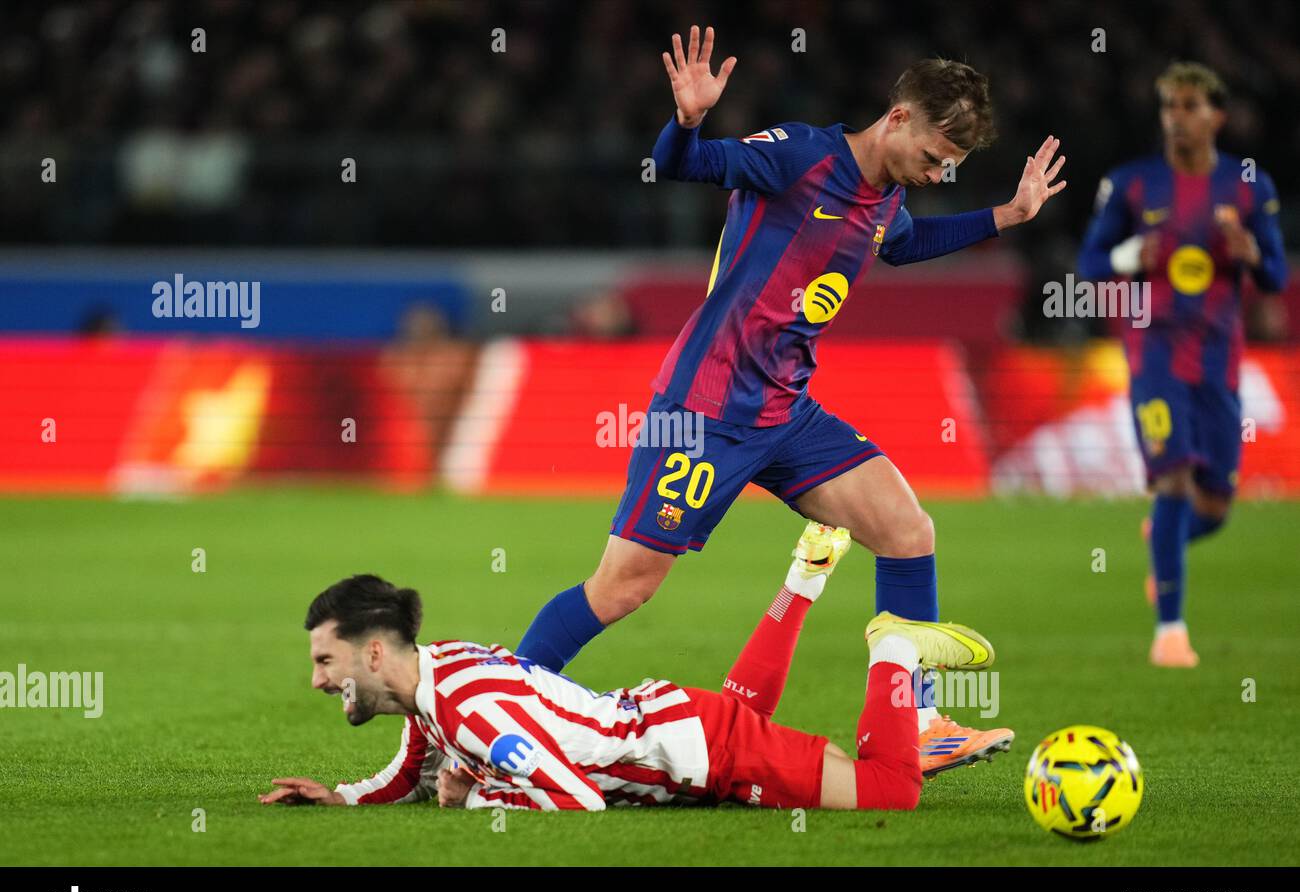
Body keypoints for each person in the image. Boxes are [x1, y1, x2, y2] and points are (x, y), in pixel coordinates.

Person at [514, 24, 1060, 773]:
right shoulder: (801, 156)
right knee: (623, 587)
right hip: (707, 408)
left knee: (908, 531)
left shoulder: (886, 195)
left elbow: (900, 245)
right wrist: (688, 119)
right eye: (936, 157)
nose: (939, 175)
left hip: (786, 412)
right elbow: (682, 165)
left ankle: (920, 719)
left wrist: (1007, 215)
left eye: (953, 167)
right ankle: (498, 711)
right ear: (898, 118)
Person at [259, 524, 1006, 813]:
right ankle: (806, 577)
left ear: (375, 652)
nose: (319, 679)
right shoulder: (435, 680)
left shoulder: (468, 711)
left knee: (888, 793)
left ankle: (895, 648)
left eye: (326, 659)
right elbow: (409, 770)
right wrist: (340, 801)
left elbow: (574, 799)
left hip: (700, 750)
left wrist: (477, 801)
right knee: (748, 716)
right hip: (682, 729)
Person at [1078, 62, 1287, 666]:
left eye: (1191, 105)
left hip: (1220, 360)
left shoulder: (1250, 186)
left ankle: (1163, 538)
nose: (1178, 117)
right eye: (1169, 106)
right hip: (1154, 354)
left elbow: (1275, 276)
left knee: (1216, 506)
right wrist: (1126, 254)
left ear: (1217, 115)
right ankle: (1171, 631)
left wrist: (1251, 252)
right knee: (1172, 479)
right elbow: (1089, 264)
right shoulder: (1132, 184)